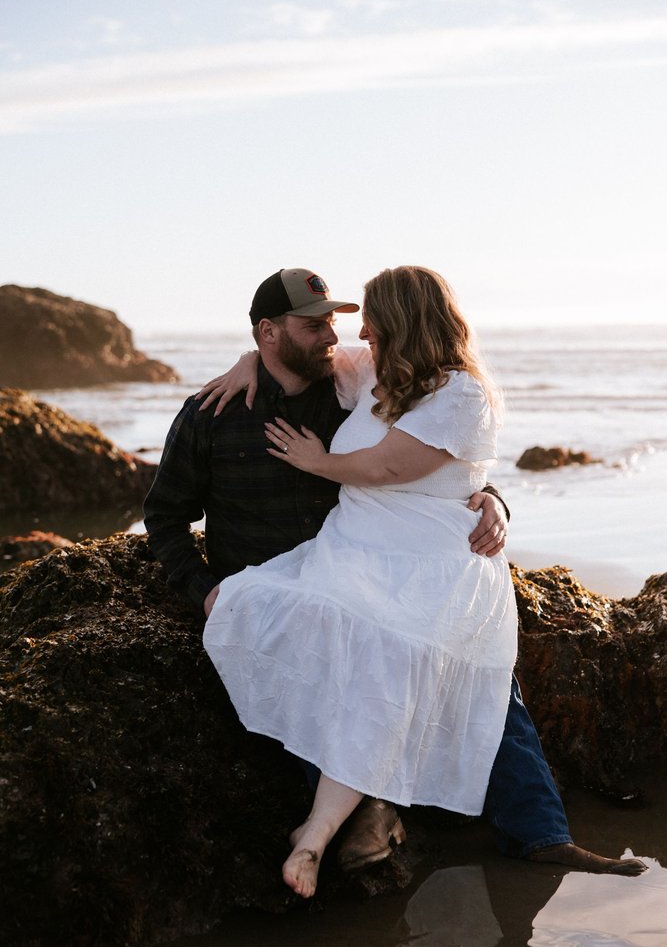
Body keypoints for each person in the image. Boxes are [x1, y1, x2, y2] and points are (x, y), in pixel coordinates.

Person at [145, 267, 645, 892]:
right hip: (304, 578)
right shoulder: (214, 413)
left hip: (380, 566)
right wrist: (204, 590)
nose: (336, 336)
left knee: (473, 665)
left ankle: (538, 834)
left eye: (337, 322)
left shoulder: (344, 389)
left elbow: (428, 456)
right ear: (269, 333)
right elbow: (165, 517)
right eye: (314, 324)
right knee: (337, 655)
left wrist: (492, 496)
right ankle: (366, 818)